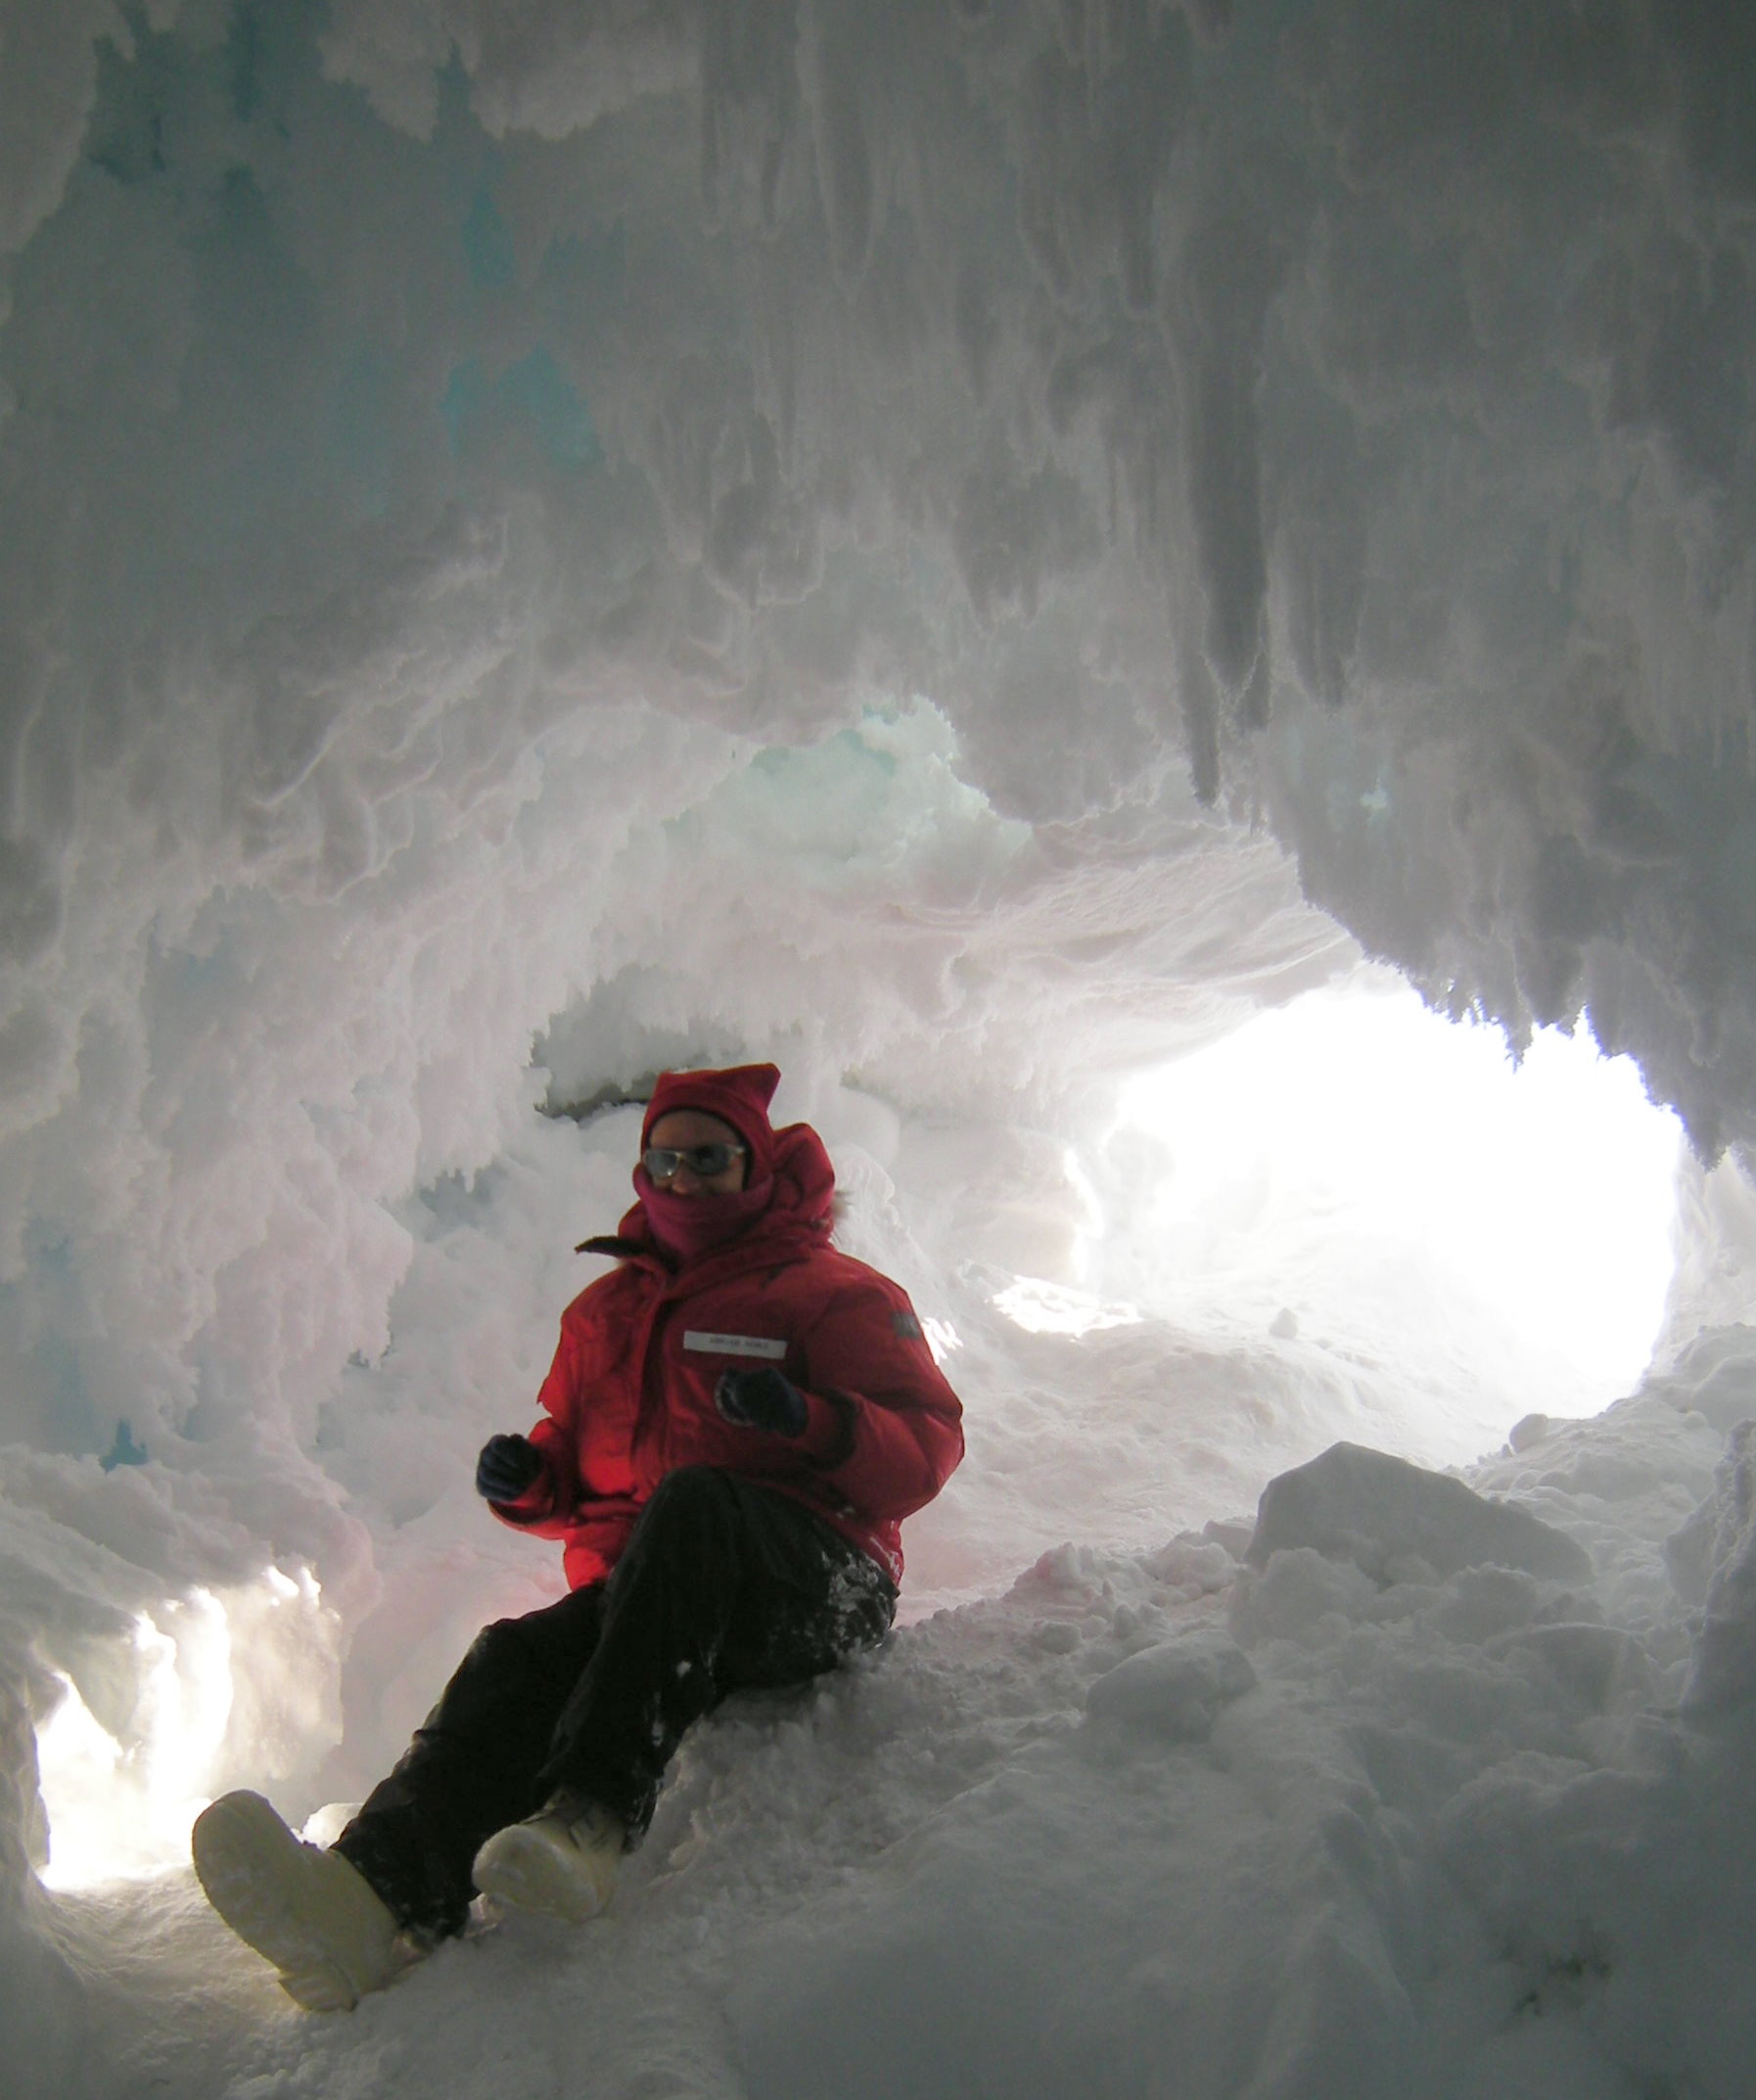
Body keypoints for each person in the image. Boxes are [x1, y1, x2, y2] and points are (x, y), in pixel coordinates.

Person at [191, 1063, 964, 2010]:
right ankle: (369, 1902)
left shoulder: (834, 1293)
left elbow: (925, 1444)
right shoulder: (608, 1315)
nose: (684, 1179)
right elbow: (595, 1478)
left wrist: (811, 1419)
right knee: (517, 1656)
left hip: (819, 1579)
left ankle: (590, 1820)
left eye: (710, 1159)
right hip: (672, 1589)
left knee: (695, 1508)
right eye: (666, 1160)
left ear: (757, 1167)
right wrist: (538, 1482)